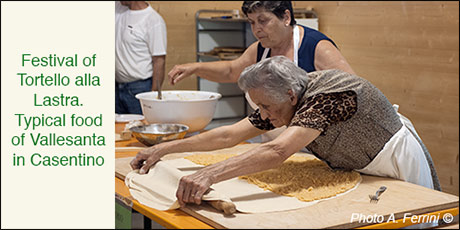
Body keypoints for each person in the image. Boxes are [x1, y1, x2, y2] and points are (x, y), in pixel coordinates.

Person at [131, 56, 441, 207]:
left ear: (291, 95)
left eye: (265, 106)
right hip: (363, 166)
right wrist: (162, 149)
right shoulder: (284, 100)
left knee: (414, 220)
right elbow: (228, 135)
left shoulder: (328, 96)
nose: (263, 114)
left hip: (397, 160)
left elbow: (278, 151)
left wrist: (209, 175)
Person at [168, 1, 354, 141]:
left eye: (263, 21)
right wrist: (195, 68)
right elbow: (231, 71)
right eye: (252, 22)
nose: (257, 29)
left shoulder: (317, 47)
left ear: (286, 18)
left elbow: (353, 91)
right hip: (270, 143)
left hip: (314, 145)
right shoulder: (260, 49)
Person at [115, 1, 167, 114]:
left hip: (139, 88)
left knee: (141, 127)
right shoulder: (118, 9)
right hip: (116, 87)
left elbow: (159, 61)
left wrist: (152, 95)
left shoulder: (153, 21)